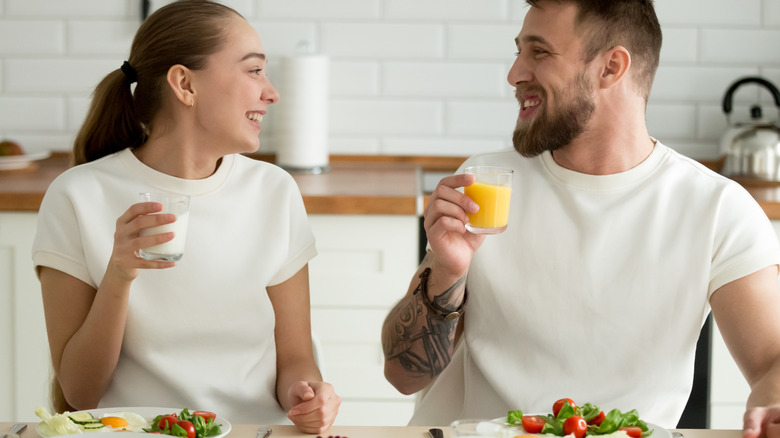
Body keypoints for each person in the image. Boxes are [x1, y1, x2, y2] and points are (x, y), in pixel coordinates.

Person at [381, 0, 780, 436]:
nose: (514, 73)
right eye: (518, 51)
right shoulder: (484, 187)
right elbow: (404, 376)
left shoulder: (716, 208)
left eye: (540, 52)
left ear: (611, 67)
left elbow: (771, 364)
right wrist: (447, 268)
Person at [31, 0, 339, 433]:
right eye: (254, 70)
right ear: (184, 84)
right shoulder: (78, 196)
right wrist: (119, 274)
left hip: (253, 432)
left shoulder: (273, 190)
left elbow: (295, 359)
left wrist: (307, 395)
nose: (271, 92)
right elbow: (81, 393)